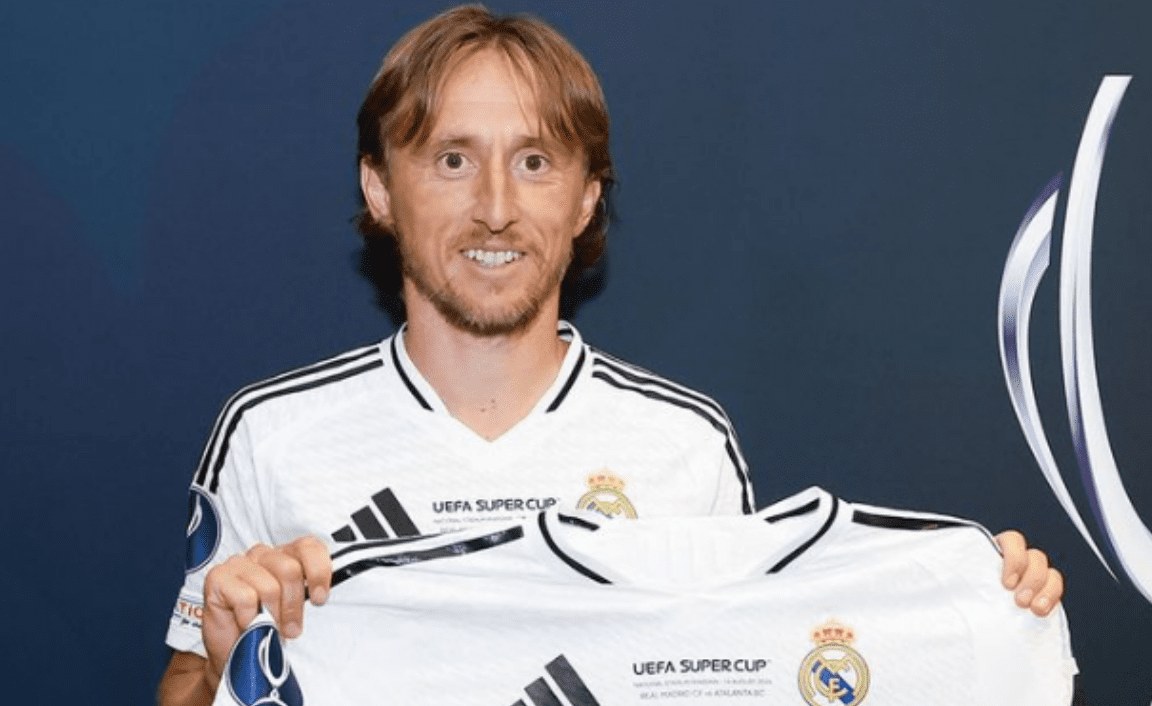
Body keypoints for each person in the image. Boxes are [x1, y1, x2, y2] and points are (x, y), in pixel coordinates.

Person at [157, 6, 1063, 705]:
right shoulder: (272, 435)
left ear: (587, 199)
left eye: (536, 163)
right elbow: (187, 688)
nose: (496, 209)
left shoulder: (683, 442)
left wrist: (986, 601)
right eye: (452, 160)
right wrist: (232, 664)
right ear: (380, 188)